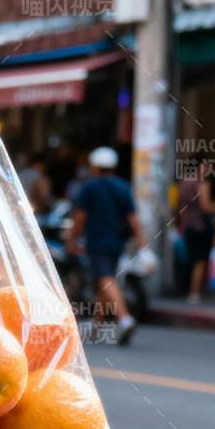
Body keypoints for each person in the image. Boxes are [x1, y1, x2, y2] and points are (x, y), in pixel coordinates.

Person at [71, 146, 145, 344]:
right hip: (117, 243)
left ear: (95, 166)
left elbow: (80, 217)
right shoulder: (123, 186)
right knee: (106, 281)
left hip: (97, 241)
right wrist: (141, 240)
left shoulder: (90, 187)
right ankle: (96, 326)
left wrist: (72, 239)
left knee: (105, 280)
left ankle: (125, 319)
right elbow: (133, 217)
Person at [176, 175, 215, 304]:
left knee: (191, 259)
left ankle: (187, 289)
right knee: (200, 260)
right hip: (201, 226)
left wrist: (182, 226)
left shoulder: (183, 183)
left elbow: (182, 209)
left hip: (188, 226)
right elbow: (206, 206)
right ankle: (195, 292)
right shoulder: (202, 183)